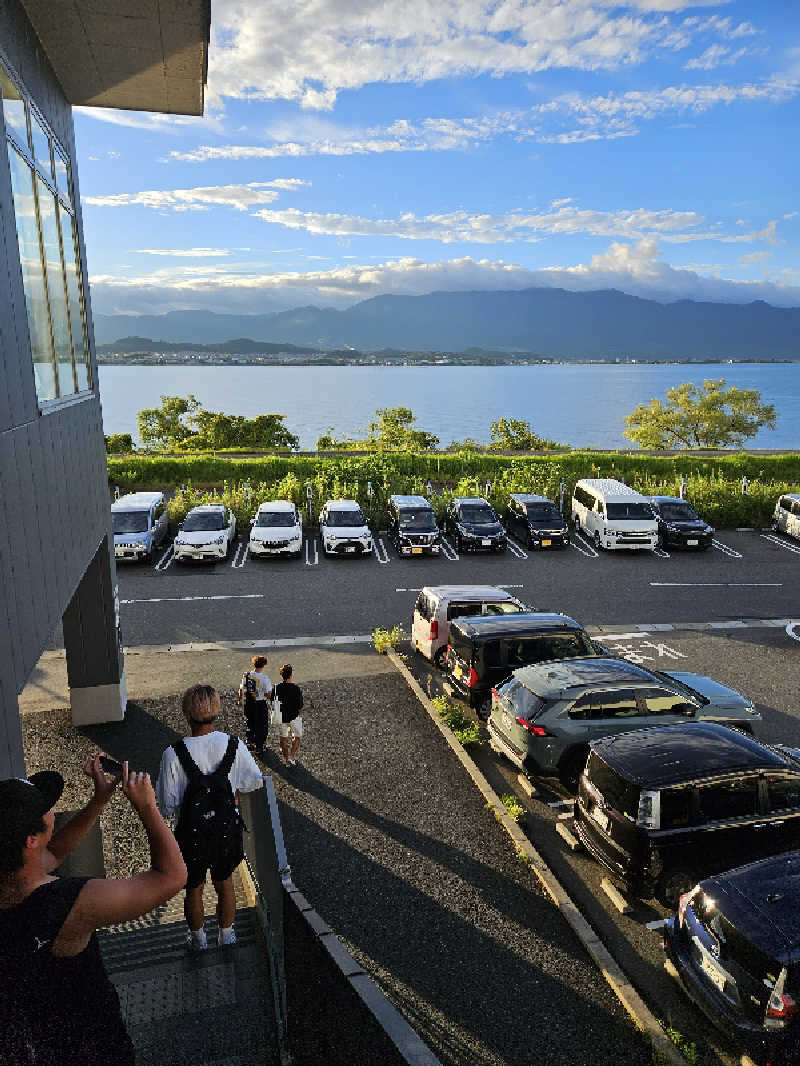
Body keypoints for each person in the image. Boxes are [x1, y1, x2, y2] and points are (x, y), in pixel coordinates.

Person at [0, 757, 186, 1065]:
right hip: (92, 1048)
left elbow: (53, 853)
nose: (51, 811)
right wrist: (147, 806)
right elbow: (172, 877)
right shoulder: (70, 903)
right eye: (43, 808)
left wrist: (98, 802)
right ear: (30, 840)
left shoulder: (10, 875)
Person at [156, 683, 263, 951]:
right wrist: (234, 796)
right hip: (225, 830)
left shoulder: (173, 754)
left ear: (186, 713)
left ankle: (198, 939)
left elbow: (166, 805)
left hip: (190, 834)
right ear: (216, 710)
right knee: (225, 882)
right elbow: (254, 781)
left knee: (194, 887)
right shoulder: (234, 746)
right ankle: (227, 935)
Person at [237, 654, 272, 758]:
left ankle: (249, 741)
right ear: (263, 665)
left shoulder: (247, 675)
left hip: (249, 703)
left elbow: (241, 689)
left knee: (249, 721)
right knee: (261, 725)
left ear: (254, 664)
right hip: (260, 704)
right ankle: (259, 747)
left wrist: (240, 700)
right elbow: (267, 694)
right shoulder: (265, 678)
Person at [274, 663, 304, 768]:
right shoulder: (296, 688)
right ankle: (292, 756)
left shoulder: (277, 687)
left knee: (283, 739)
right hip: (294, 716)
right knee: (297, 736)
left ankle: (286, 759)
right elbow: (300, 705)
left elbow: (273, 700)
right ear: (291, 675)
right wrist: (300, 715)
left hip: (281, 717)